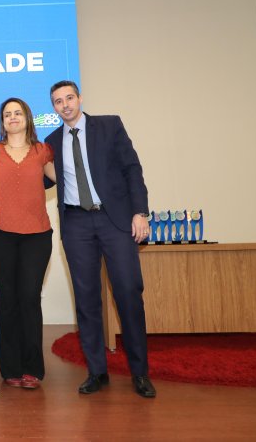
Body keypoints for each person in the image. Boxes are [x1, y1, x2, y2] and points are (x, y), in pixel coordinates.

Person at [44, 80, 156, 398]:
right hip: (76, 222)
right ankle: (96, 371)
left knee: (129, 294)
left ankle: (140, 373)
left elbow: (132, 168)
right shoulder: (51, 141)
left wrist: (140, 212)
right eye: (57, 101)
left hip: (114, 219)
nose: (65, 104)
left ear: (80, 98)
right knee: (86, 299)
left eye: (69, 98)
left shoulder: (109, 125)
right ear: (52, 107)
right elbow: (42, 179)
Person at [0, 97, 56, 390]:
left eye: (18, 113)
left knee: (29, 298)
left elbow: (66, 180)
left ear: (28, 118)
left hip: (37, 235)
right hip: (1, 235)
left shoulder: (43, 151)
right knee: (8, 301)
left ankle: (33, 369)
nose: (13, 118)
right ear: (2, 122)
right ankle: (11, 369)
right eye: (7, 114)